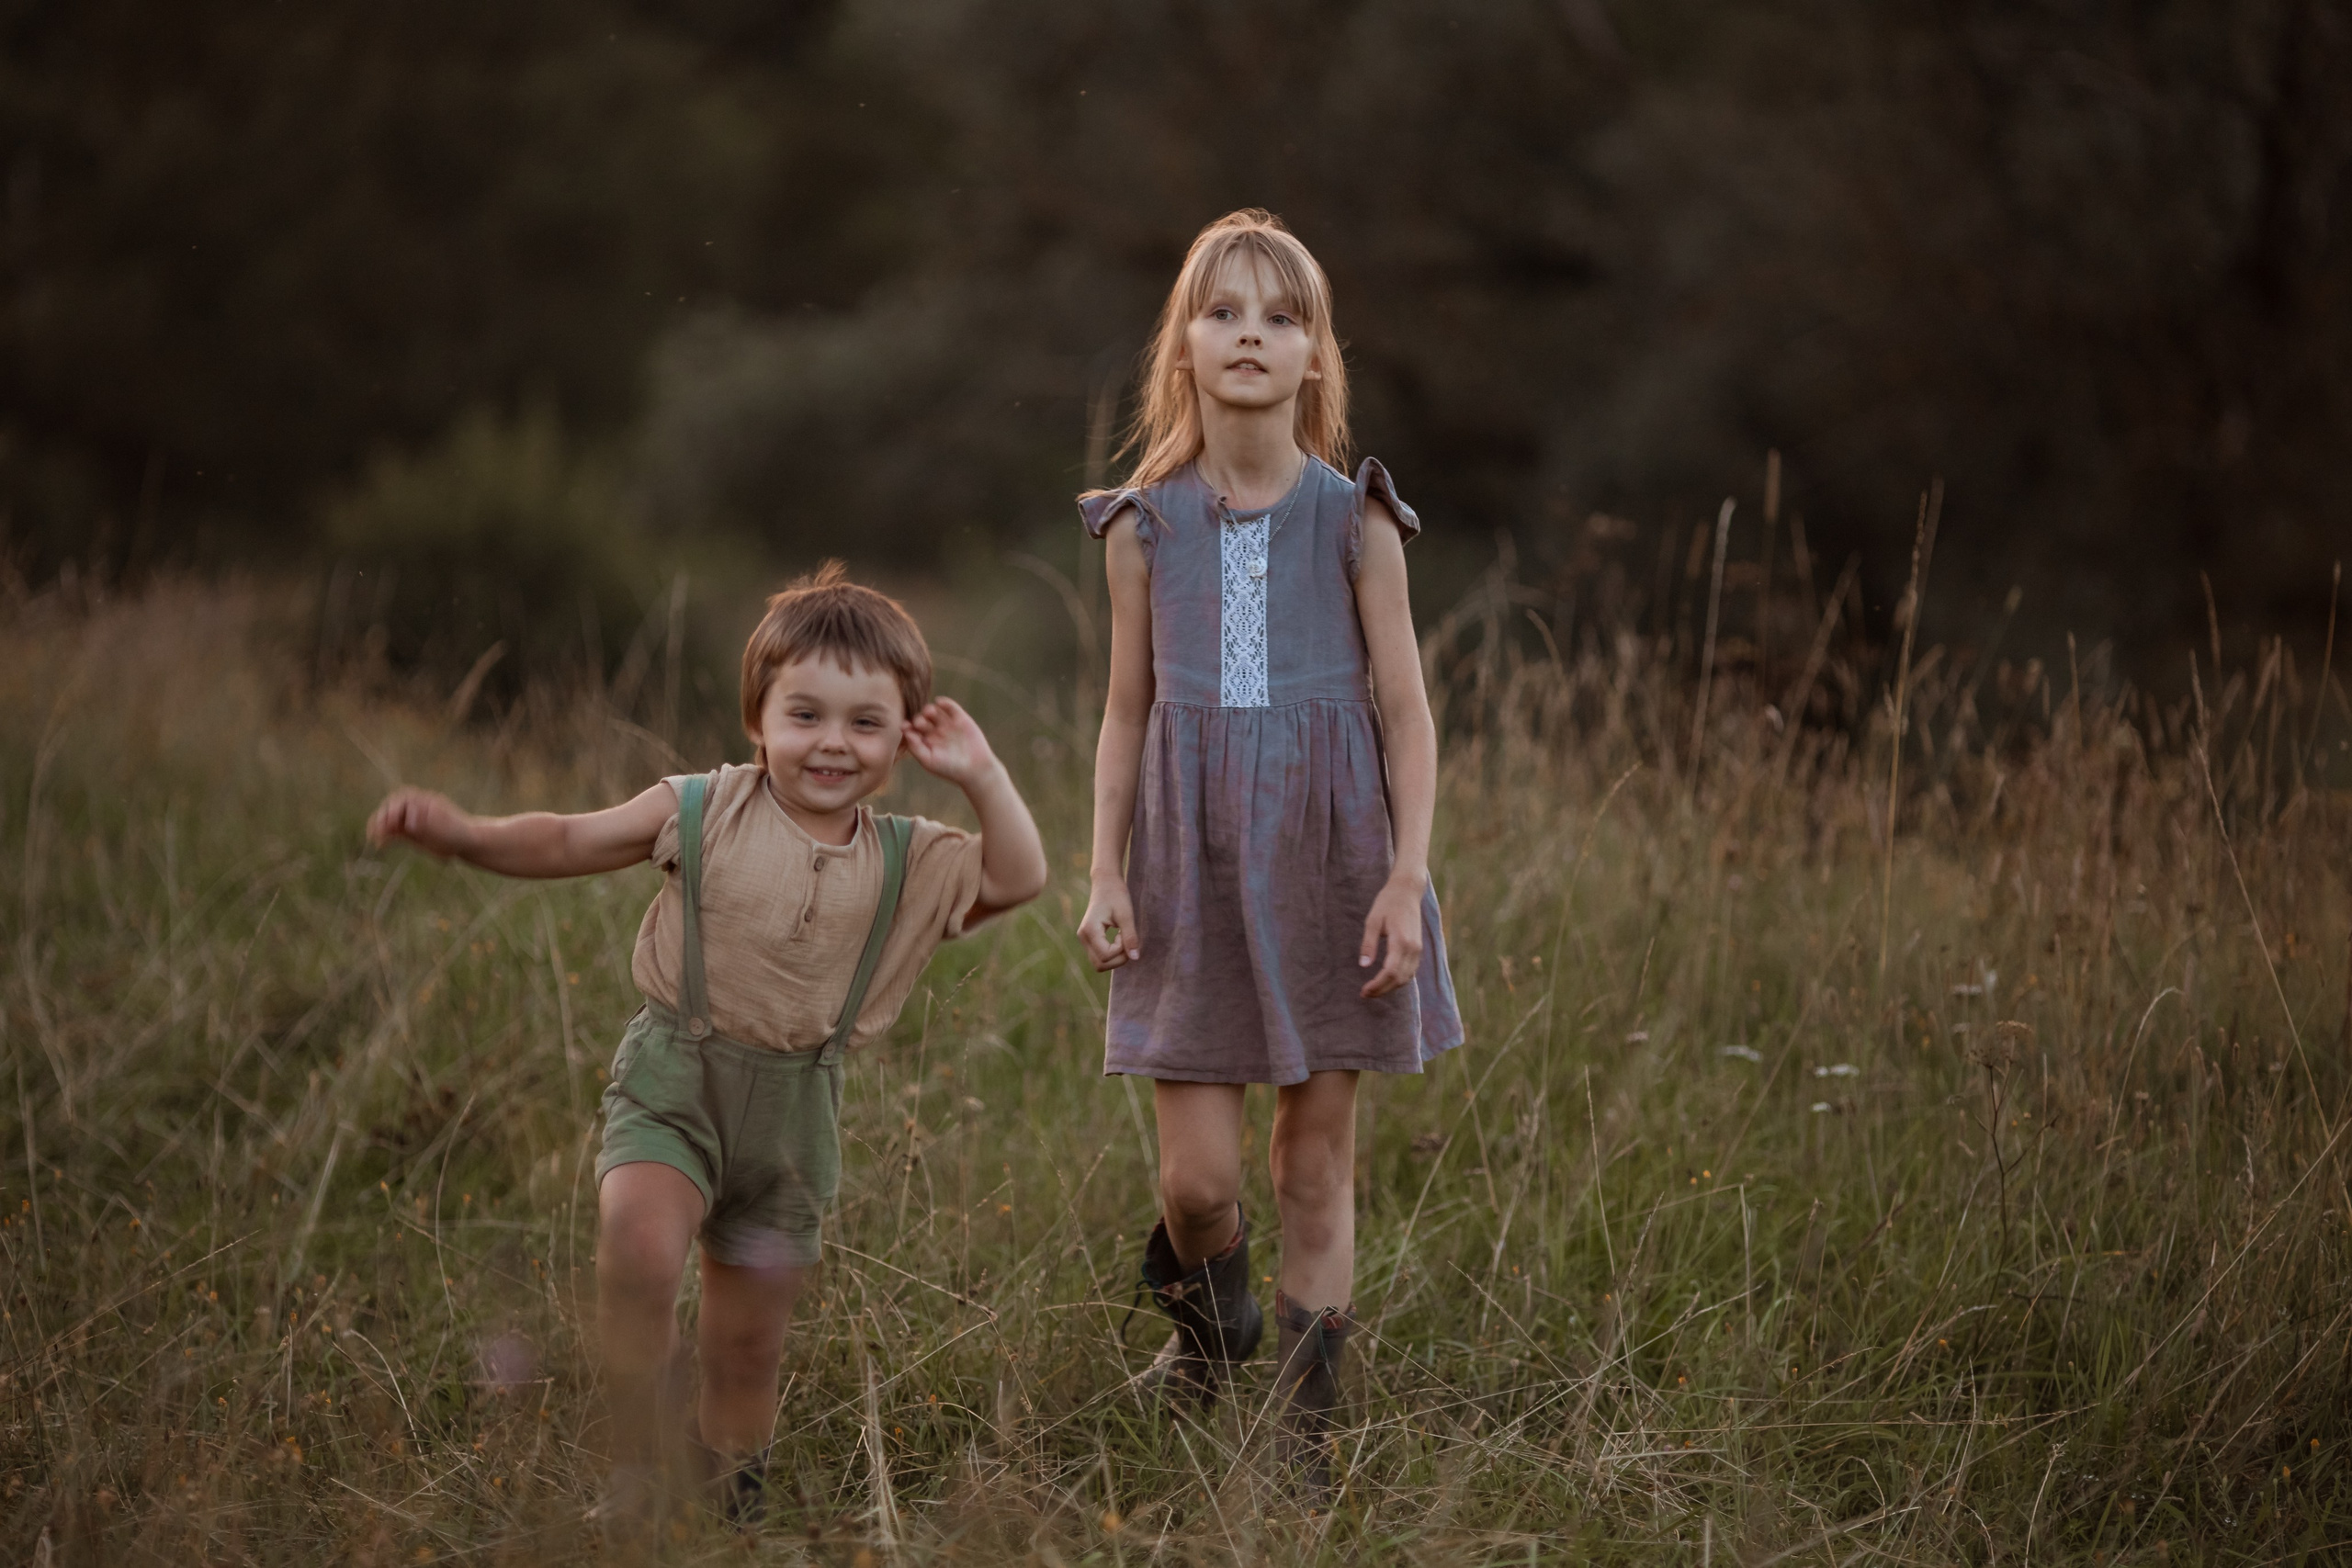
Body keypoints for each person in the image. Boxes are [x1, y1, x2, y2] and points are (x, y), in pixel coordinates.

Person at [367, 565, 1046, 1528]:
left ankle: (734, 1495)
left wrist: (982, 776)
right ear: (757, 719)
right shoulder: (704, 806)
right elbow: (565, 837)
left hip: (794, 1116)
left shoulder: (910, 855)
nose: (832, 743)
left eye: (865, 722)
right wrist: (463, 834)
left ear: (905, 735)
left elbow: (1019, 878)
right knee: (637, 1253)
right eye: (804, 714)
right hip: (675, 1081)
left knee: (746, 1346)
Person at [1075, 209, 1464, 1495]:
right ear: (1182, 344)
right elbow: (1127, 710)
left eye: (1281, 315)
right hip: (1188, 867)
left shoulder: (1357, 521)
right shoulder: (1143, 528)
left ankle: (1303, 1434)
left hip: (1334, 861)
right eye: (1225, 310)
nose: (1252, 333)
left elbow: (1405, 713)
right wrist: (1104, 869)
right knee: (1199, 1182)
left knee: (1312, 1160)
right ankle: (1210, 1323)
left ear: (1317, 356)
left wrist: (1406, 876)